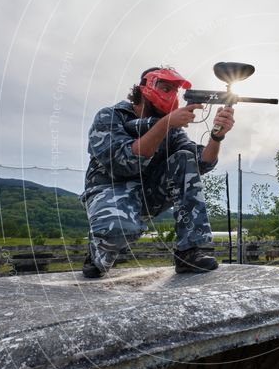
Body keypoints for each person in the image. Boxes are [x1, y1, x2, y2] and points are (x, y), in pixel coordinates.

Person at [80, 66, 235, 277]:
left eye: (174, 90)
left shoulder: (170, 127)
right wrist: (164, 124)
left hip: (149, 193)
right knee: (115, 237)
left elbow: (201, 163)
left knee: (184, 158)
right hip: (110, 190)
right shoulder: (110, 116)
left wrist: (217, 136)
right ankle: (97, 252)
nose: (171, 95)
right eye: (165, 87)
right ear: (144, 88)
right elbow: (124, 162)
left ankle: (189, 252)